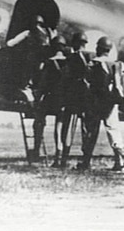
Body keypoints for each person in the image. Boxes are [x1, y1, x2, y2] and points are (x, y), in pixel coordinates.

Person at [76, 36, 124, 171]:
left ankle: (86, 162)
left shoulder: (92, 64)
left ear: (98, 48)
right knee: (113, 130)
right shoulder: (115, 65)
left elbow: (86, 84)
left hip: (94, 102)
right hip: (110, 102)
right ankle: (119, 161)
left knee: (90, 132)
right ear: (109, 50)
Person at [55, 32, 91, 168]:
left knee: (68, 128)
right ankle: (86, 159)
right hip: (85, 98)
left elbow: (65, 77)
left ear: (75, 43)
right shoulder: (89, 57)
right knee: (84, 129)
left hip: (72, 97)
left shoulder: (71, 58)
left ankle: (64, 159)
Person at [30, 35, 67, 161]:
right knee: (59, 127)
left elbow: (42, 84)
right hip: (62, 99)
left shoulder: (49, 62)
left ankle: (36, 150)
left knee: (39, 122)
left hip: (49, 98)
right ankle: (59, 155)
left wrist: (37, 98)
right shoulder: (69, 63)